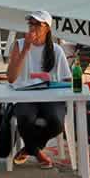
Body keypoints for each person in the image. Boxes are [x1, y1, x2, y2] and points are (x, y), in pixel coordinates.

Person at [6, 11, 72, 168]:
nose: (33, 28)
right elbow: (11, 78)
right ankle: (38, 152)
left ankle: (29, 148)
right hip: (26, 95)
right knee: (24, 117)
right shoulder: (19, 45)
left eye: (37, 24)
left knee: (56, 122)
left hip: (50, 96)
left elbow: (67, 79)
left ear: (47, 28)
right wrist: (26, 50)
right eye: (31, 24)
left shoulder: (56, 50)